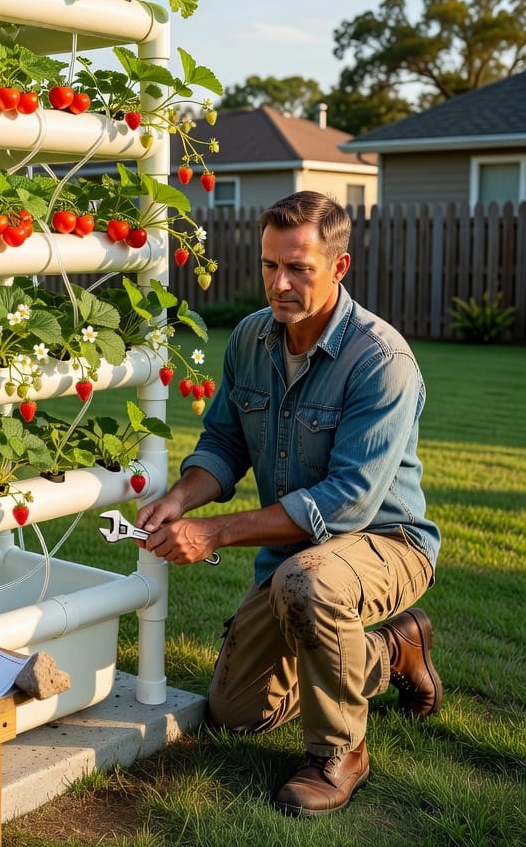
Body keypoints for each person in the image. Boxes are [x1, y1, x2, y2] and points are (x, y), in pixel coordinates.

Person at [136, 190, 442, 817]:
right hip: (295, 558)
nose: (280, 283)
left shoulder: (382, 360)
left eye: (299, 268)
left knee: (310, 583)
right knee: (237, 712)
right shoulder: (250, 338)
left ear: (339, 266)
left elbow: (348, 502)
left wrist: (215, 533)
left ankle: (339, 752)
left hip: (387, 543)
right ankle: (392, 650)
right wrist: (180, 499)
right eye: (270, 265)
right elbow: (225, 442)